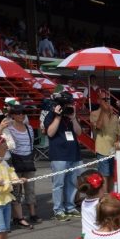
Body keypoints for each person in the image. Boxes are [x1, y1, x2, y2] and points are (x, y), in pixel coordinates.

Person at [44, 93, 83, 221]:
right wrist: (58, 117)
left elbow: (79, 132)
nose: (68, 107)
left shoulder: (71, 115)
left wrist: (73, 118)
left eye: (69, 104)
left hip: (74, 154)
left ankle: (70, 207)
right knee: (59, 184)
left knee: (72, 183)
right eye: (66, 105)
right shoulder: (51, 115)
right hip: (59, 155)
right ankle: (58, 210)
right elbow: (50, 133)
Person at [7, 104, 40, 226]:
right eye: (17, 113)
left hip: (28, 160)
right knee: (16, 190)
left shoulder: (29, 127)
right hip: (15, 161)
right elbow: (9, 145)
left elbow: (31, 144)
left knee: (30, 189)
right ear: (12, 115)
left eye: (22, 113)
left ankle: (33, 214)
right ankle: (17, 216)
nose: (21, 115)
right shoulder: (9, 128)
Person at [90, 95, 120, 192]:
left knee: (111, 174)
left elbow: (119, 132)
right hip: (102, 149)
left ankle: (110, 195)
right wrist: (103, 111)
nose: (107, 101)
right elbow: (98, 127)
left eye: (108, 99)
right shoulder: (94, 114)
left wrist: (118, 141)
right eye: (104, 99)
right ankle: (104, 197)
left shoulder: (114, 116)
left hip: (113, 150)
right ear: (99, 101)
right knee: (104, 175)